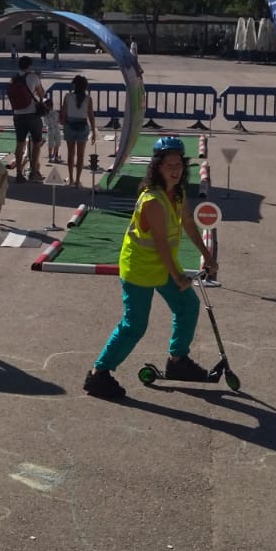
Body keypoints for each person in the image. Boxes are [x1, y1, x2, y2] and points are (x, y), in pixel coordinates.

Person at [83, 136, 223, 399]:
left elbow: (188, 224)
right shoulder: (153, 201)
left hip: (162, 266)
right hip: (140, 269)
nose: (175, 169)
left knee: (188, 307)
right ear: (157, 166)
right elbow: (160, 243)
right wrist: (179, 277)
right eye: (169, 164)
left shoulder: (177, 192)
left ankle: (177, 360)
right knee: (134, 326)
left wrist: (207, 255)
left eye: (179, 164)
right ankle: (98, 374)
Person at [7, 55, 46, 183]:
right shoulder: (33, 77)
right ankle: (33, 172)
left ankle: (18, 173)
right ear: (29, 66)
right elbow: (41, 94)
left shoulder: (13, 78)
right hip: (32, 115)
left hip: (18, 115)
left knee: (20, 143)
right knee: (36, 142)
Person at [62, 74, 96, 186]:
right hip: (82, 126)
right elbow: (91, 116)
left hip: (70, 125)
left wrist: (63, 124)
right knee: (81, 155)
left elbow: (64, 113)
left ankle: (71, 179)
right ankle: (77, 180)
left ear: (74, 85)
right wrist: (94, 131)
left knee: (70, 154)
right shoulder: (88, 99)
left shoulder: (67, 96)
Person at [44, 95, 62, 164]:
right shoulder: (56, 113)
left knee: (50, 143)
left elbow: (46, 122)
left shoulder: (45, 115)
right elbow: (59, 121)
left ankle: (50, 156)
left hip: (50, 130)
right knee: (57, 142)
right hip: (57, 129)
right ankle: (56, 155)